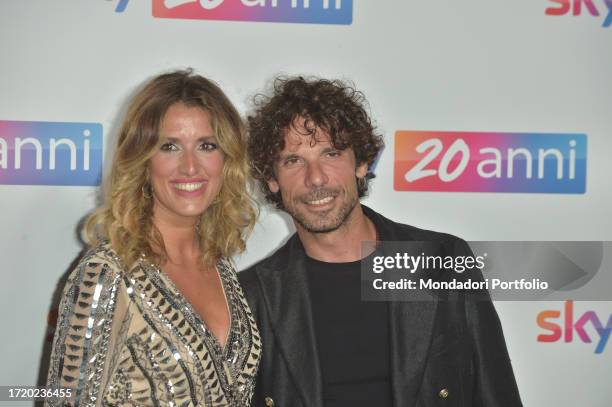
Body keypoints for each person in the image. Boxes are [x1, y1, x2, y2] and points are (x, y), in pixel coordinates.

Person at [239, 77, 522, 407]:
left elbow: (495, 391)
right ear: (272, 179)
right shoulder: (252, 297)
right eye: (293, 160)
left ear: (360, 163)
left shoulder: (443, 259)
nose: (315, 177)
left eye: (331, 153)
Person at [46, 69, 261, 407]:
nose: (191, 167)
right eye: (170, 146)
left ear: (226, 159)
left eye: (206, 146)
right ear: (143, 160)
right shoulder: (106, 274)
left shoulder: (220, 264)